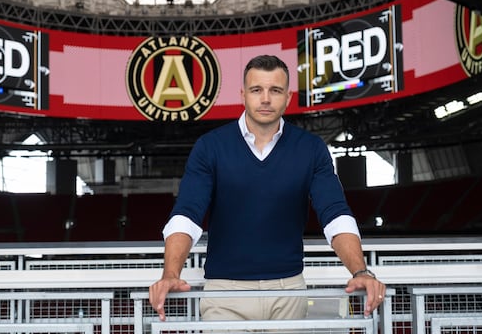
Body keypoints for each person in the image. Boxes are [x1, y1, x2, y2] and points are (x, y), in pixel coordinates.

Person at [149, 54, 386, 322]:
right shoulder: (210, 146)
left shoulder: (311, 148)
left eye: (275, 90)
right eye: (256, 90)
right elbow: (187, 213)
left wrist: (360, 271)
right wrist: (170, 274)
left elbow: (334, 213)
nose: (265, 99)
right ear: (243, 95)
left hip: (289, 291)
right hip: (224, 291)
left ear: (287, 97)